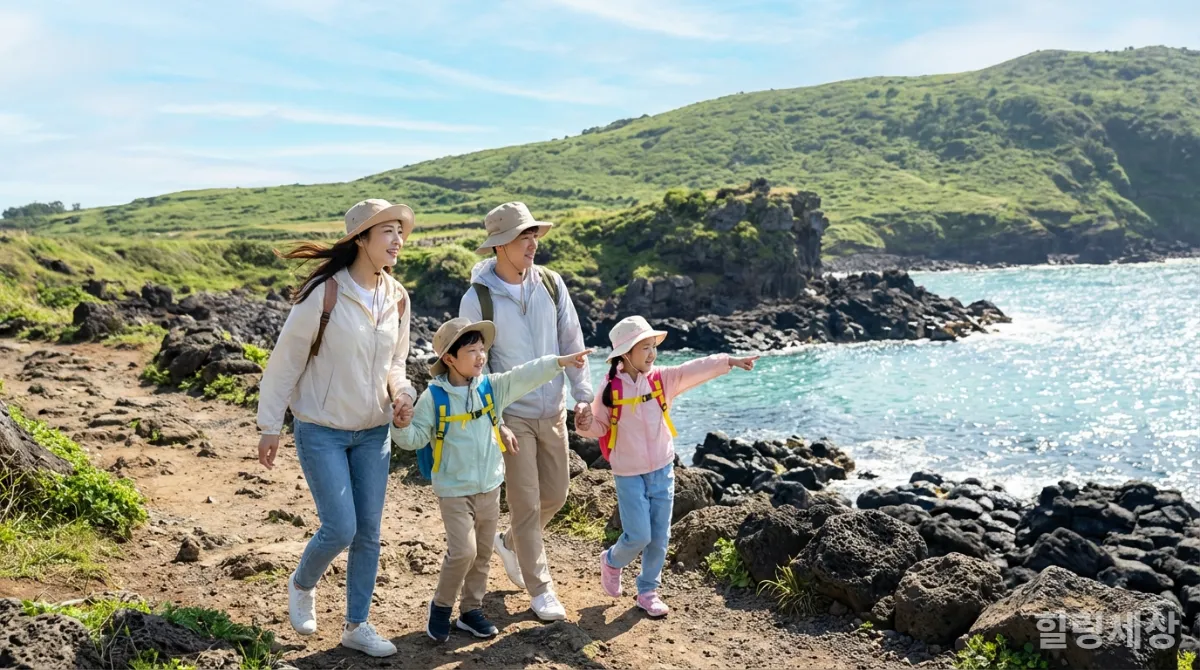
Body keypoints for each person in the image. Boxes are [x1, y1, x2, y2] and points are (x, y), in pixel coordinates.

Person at [255, 199, 418, 658]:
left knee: (369, 533)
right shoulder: (324, 293)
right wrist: (270, 425)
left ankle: (357, 625)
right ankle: (302, 583)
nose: (397, 240)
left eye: (400, 231)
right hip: (321, 429)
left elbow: (397, 362)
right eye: (387, 231)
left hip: (373, 432)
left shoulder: (398, 297)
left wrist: (402, 394)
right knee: (340, 527)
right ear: (360, 239)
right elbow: (286, 362)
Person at [389, 317, 591, 641]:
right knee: (464, 552)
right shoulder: (434, 397)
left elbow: (523, 375)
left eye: (482, 349)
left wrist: (558, 363)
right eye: (472, 351)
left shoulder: (490, 387)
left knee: (483, 554)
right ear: (449, 358)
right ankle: (441, 606)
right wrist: (400, 426)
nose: (481, 356)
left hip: (490, 487)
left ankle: (471, 611)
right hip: (454, 490)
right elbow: (414, 439)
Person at [459, 201, 593, 621]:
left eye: (534, 235)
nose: (533, 243)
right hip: (512, 415)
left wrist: (583, 395)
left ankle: (511, 543)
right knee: (526, 504)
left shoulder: (551, 284)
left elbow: (572, 340)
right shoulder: (477, 299)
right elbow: (475, 369)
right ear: (500, 245)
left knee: (556, 494)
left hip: (553, 410)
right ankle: (541, 589)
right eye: (524, 237)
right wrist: (495, 421)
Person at [576, 315, 758, 617]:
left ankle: (648, 591)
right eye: (645, 347)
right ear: (625, 353)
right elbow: (598, 426)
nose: (652, 354)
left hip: (662, 468)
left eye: (653, 346)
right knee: (638, 536)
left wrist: (729, 361)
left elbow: (693, 369)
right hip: (628, 473)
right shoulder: (611, 387)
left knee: (660, 536)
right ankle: (611, 560)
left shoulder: (662, 379)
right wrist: (583, 424)